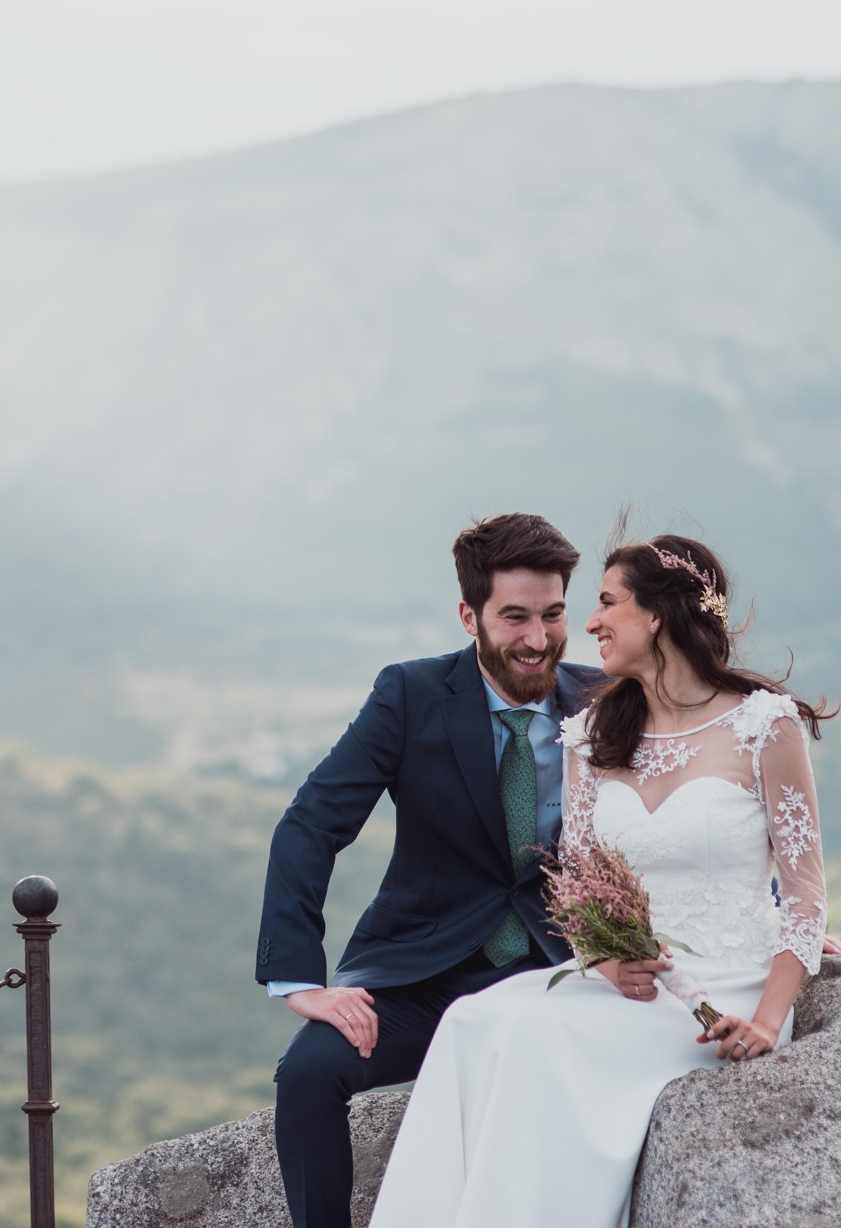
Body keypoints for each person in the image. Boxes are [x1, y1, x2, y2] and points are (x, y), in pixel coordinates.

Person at [366, 531, 833, 1228]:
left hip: (726, 986)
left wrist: (767, 1020)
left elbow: (804, 893)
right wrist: (606, 956)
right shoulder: (592, 734)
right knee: (471, 1021)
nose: (587, 623)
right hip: (626, 984)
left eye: (607, 602)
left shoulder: (766, 726)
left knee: (535, 1039)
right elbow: (577, 887)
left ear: (658, 616)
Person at [255, 513, 608, 1228]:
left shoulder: (609, 700)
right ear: (468, 614)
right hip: (422, 975)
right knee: (309, 1073)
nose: (537, 640)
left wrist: (781, 914)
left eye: (551, 614)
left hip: (560, 972)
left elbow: (690, 813)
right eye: (514, 617)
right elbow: (311, 824)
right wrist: (300, 979)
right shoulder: (410, 694)